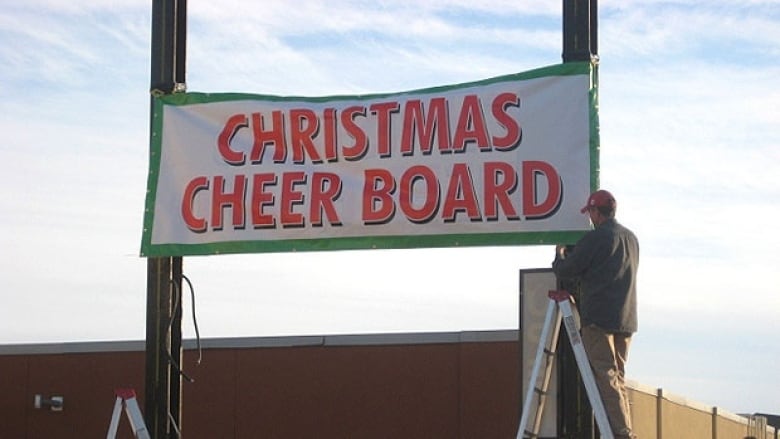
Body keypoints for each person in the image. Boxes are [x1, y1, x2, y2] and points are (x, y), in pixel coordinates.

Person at [552, 189, 639, 439]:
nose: (589, 217)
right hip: (626, 317)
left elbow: (568, 269)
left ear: (595, 212)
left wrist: (559, 257)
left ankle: (622, 434)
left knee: (606, 375)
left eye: (590, 212)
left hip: (599, 319)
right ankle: (625, 429)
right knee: (618, 377)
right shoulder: (631, 239)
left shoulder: (597, 238)